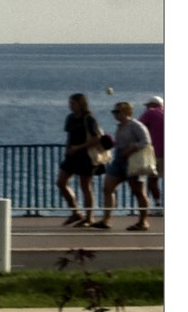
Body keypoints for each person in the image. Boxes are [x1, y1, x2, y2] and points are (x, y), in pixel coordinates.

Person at [105, 100, 155, 230]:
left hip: (132, 161)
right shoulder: (119, 126)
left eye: (117, 111)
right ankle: (106, 219)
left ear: (126, 112)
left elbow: (146, 141)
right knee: (107, 188)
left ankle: (143, 221)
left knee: (138, 191)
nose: (115, 114)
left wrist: (132, 148)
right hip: (119, 159)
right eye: (114, 112)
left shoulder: (135, 125)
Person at [56, 92, 104, 226]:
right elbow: (69, 136)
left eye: (73, 103)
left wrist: (78, 147)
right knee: (61, 182)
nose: (71, 106)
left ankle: (89, 217)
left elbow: (96, 138)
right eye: (70, 103)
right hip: (72, 155)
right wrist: (68, 149)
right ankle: (75, 211)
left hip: (86, 156)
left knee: (85, 186)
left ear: (81, 104)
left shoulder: (89, 118)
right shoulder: (70, 118)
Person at [143, 97, 165, 212]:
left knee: (152, 180)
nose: (146, 108)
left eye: (148, 105)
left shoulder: (151, 112)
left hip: (156, 153)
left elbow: (138, 126)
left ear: (153, 104)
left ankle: (157, 205)